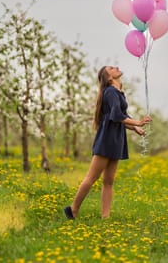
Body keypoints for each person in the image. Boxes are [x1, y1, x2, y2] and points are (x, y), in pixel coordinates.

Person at [64, 65, 152, 220]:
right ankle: (73, 209)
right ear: (109, 77)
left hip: (116, 138)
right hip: (107, 139)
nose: (116, 67)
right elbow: (117, 115)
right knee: (92, 178)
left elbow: (122, 115)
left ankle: (106, 217)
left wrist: (134, 128)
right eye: (111, 68)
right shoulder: (111, 91)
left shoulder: (118, 92)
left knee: (109, 181)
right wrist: (138, 122)